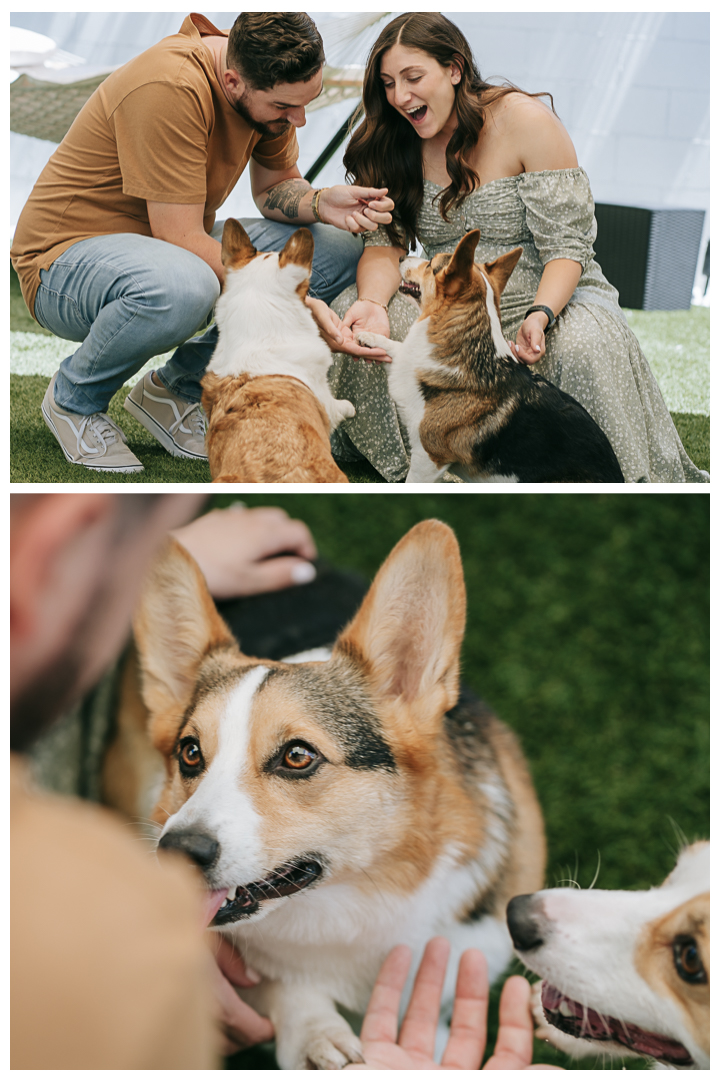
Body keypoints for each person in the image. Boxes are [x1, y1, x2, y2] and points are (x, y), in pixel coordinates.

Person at [11, 495, 560, 1069]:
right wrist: (291, 1001)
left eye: (296, 759)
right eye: (194, 755)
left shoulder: (495, 897)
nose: (187, 829)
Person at [325, 12, 709, 484]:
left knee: (582, 347)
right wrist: (371, 302)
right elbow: (384, 245)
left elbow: (568, 246)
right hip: (455, 299)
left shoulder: (524, 120)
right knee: (356, 317)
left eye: (413, 77)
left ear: (455, 69)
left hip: (553, 288)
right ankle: (433, 458)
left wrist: (541, 315)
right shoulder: (390, 138)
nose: (400, 97)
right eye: (387, 83)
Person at [10, 13, 393, 474]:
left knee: (332, 249)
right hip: (62, 263)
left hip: (163, 243)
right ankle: (74, 399)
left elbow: (274, 189)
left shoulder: (263, 77)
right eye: (285, 108)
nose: (300, 120)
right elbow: (180, 236)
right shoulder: (168, 85)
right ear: (232, 82)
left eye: (306, 103)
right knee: (187, 286)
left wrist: (320, 201)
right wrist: (295, 300)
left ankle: (173, 390)